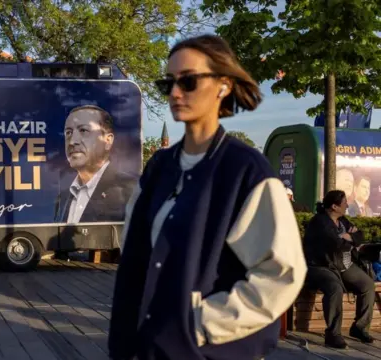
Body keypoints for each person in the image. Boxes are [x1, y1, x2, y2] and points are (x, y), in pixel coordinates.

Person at [108, 34, 307, 360]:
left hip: (209, 352)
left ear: (223, 85)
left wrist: (199, 324)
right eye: (167, 82)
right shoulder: (160, 167)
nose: (174, 93)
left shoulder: (245, 170)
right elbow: (133, 251)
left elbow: (280, 273)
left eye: (188, 81)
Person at [303, 190, 375, 348]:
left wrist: (349, 237)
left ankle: (359, 327)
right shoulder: (320, 222)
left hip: (344, 264)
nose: (347, 205)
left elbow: (360, 236)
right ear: (334, 206)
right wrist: (348, 239)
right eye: (344, 203)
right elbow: (335, 244)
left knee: (368, 285)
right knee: (334, 288)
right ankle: (333, 334)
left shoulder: (342, 221)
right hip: (322, 266)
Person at [54, 104, 136, 224]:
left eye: (83, 130)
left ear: (107, 140)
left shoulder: (131, 190)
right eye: (68, 133)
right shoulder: (63, 198)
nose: (72, 141)